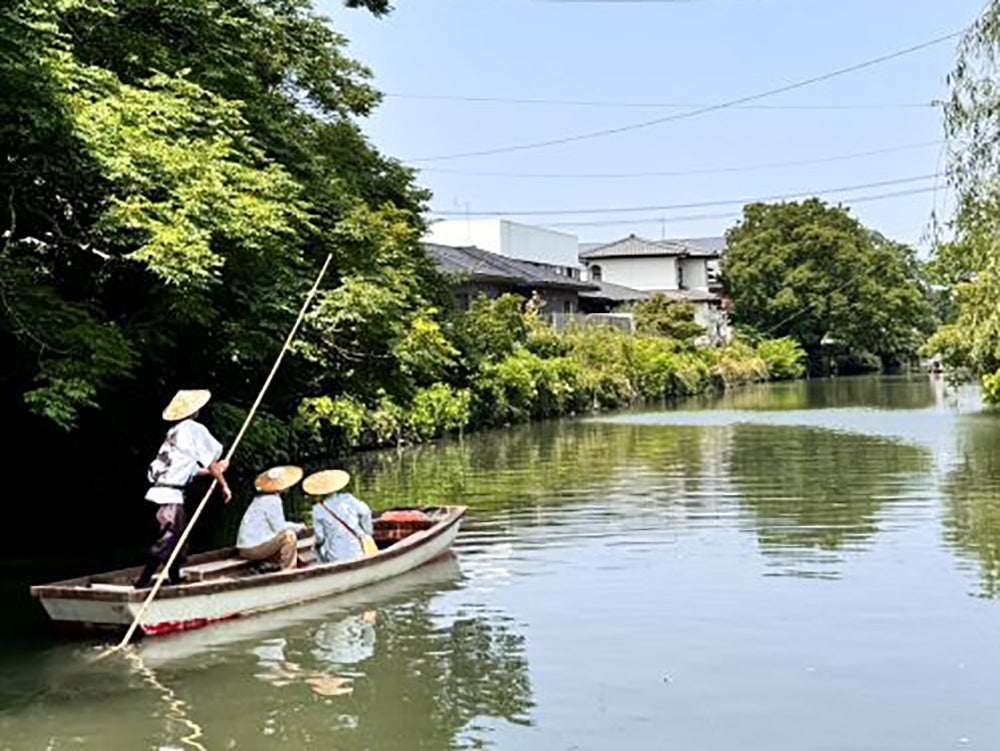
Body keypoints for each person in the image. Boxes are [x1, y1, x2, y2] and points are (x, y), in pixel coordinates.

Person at [136, 389, 232, 589]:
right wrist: (223, 484)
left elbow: (190, 469)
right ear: (195, 410)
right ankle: (143, 582)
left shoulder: (174, 431)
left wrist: (215, 470)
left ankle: (175, 578)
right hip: (169, 496)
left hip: (158, 494)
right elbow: (210, 460)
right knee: (171, 538)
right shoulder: (193, 429)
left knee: (179, 538)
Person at [237, 466, 306, 571]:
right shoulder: (273, 501)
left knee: (283, 535)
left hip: (245, 548)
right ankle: (289, 570)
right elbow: (280, 528)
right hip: (252, 549)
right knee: (289, 536)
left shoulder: (260, 499)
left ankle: (270, 564)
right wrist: (299, 527)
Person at [304, 470, 375, 564]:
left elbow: (320, 537)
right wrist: (367, 533)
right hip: (357, 553)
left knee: (317, 549)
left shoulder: (318, 509)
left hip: (336, 558)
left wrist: (316, 544)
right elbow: (366, 512)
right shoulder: (348, 499)